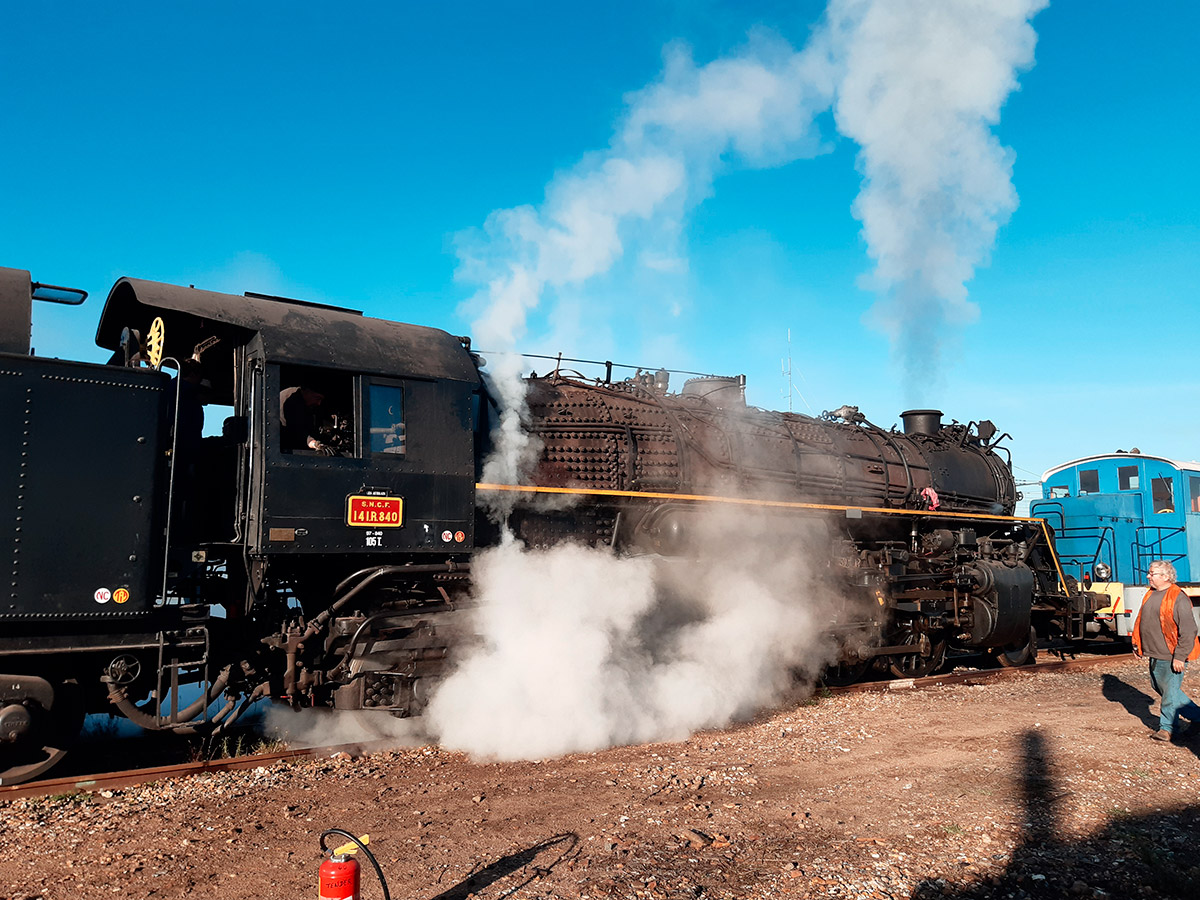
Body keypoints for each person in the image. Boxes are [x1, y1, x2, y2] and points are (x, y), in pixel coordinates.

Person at [1131, 559, 1200, 741]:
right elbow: (1141, 622)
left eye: (1151, 573)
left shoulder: (1178, 597)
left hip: (1171, 655)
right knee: (1161, 687)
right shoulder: (1150, 594)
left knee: (1169, 693)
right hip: (1154, 652)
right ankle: (1198, 716)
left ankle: (1167, 729)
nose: (1148, 576)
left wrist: (1180, 656)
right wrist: (1138, 645)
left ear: (1165, 576)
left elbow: (1189, 630)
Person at [280, 385, 334, 454]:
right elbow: (296, 429)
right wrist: (313, 443)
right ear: (306, 391)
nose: (318, 403)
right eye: (317, 398)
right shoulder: (293, 399)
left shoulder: (303, 400)